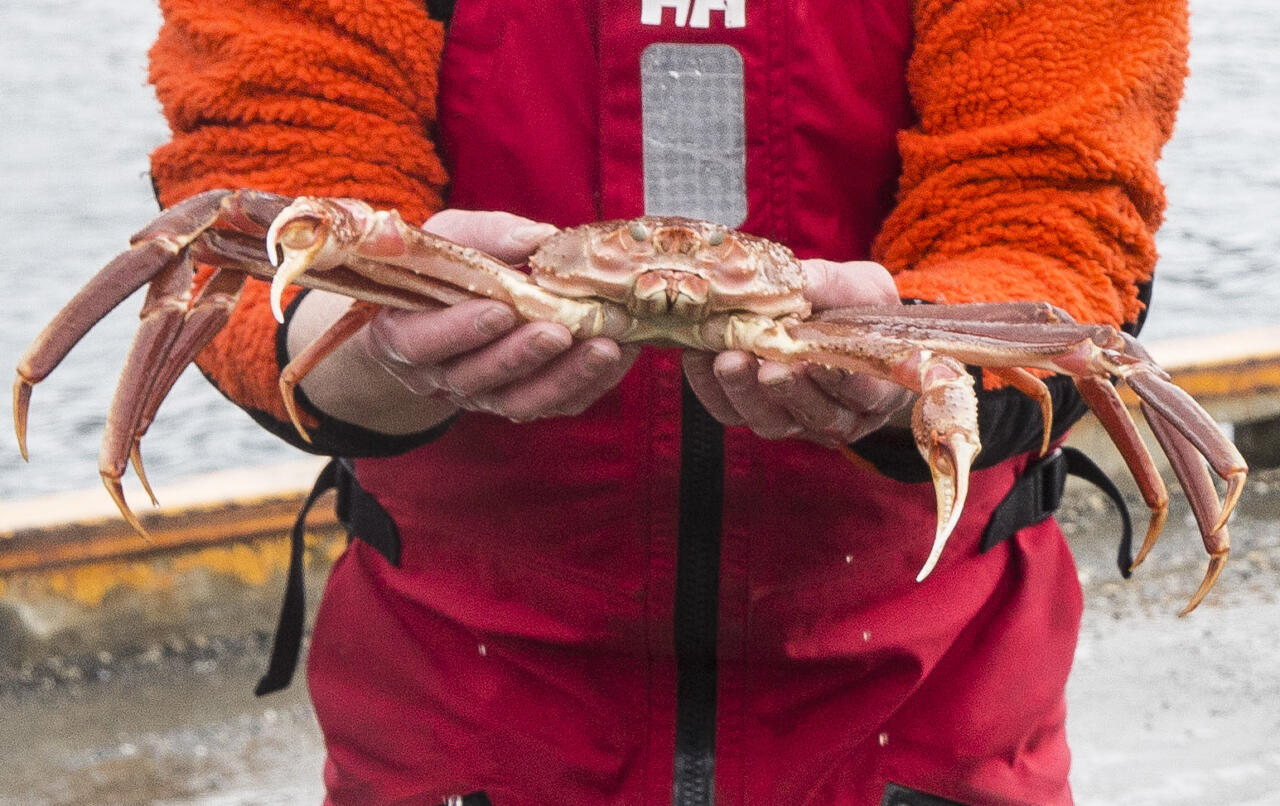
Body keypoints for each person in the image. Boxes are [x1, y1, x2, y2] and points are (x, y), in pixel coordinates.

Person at [145, 0, 1188, 803]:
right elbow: (264, 184)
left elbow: (1055, 224)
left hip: (925, 705)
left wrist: (918, 373)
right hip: (457, 707)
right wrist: (346, 356)